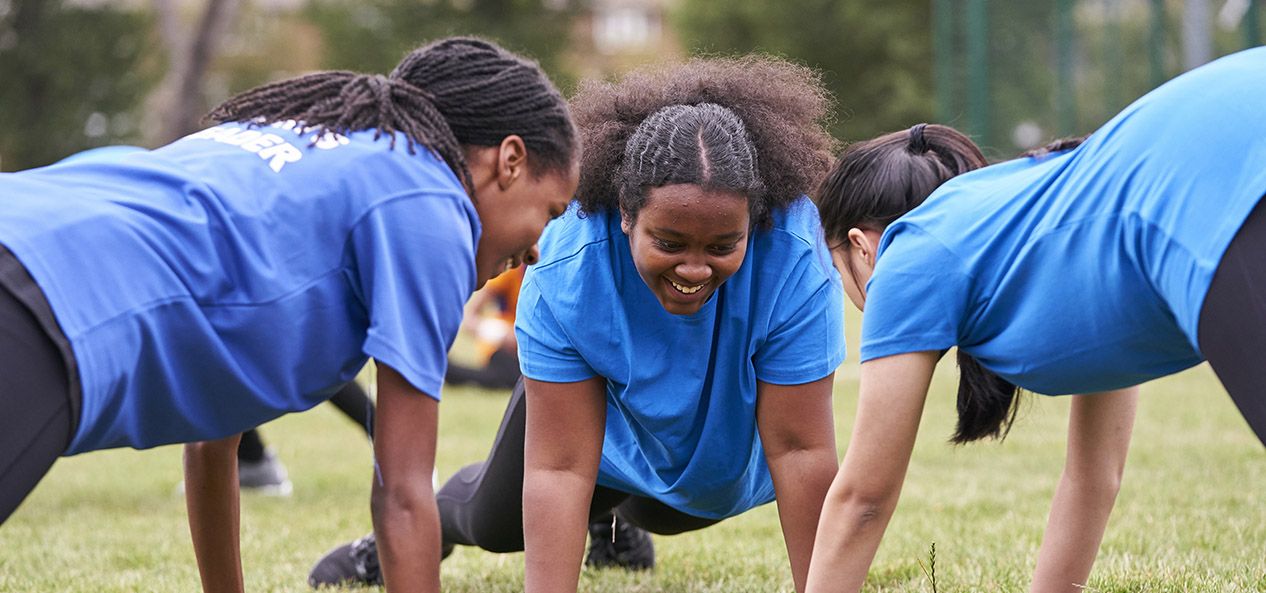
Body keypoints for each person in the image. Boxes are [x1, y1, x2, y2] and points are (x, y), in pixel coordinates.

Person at [0, 36, 580, 593]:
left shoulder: (308, 136)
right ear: (509, 161)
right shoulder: (431, 206)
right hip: (47, 300)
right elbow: (403, 493)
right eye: (551, 212)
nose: (535, 251)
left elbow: (214, 436)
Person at [310, 55, 845, 593]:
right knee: (494, 522)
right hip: (583, 417)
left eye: (724, 246)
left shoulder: (794, 254)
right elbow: (559, 471)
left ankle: (604, 520)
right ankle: (395, 543)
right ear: (626, 213)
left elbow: (801, 451)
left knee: (677, 507)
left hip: (701, 456)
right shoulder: (567, 262)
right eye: (670, 243)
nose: (694, 268)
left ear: (753, 221)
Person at [804, 47, 1266, 593]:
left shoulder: (910, 253)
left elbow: (863, 499)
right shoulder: (1045, 220)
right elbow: (1095, 477)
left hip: (1225, 163)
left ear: (861, 248)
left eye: (835, 267)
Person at [444, 264, 525, 390]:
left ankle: (449, 370)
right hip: (505, 351)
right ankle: (448, 369)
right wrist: (502, 335)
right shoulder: (514, 271)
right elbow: (469, 319)